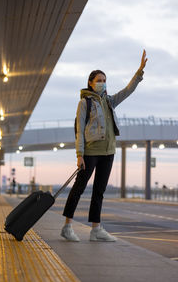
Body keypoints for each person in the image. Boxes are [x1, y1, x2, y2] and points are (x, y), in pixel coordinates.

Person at [61, 50, 148, 242]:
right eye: (99, 80)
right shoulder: (84, 103)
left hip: (109, 152)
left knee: (99, 191)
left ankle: (96, 229)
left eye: (104, 80)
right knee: (79, 188)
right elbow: (79, 130)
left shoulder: (109, 101)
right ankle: (67, 226)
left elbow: (128, 90)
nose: (102, 83)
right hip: (91, 152)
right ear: (91, 83)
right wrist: (79, 154)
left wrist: (139, 71)